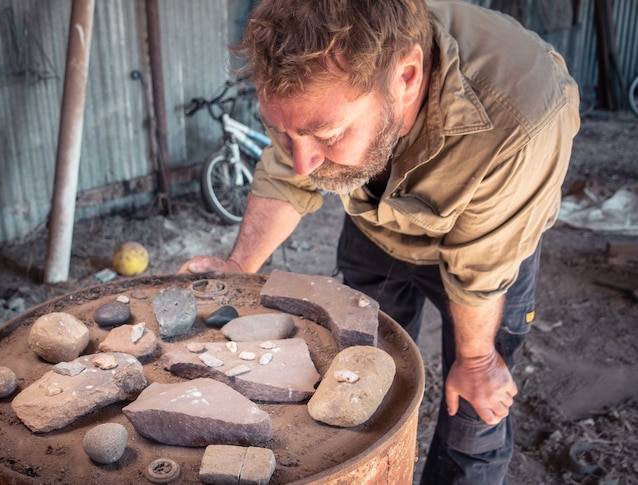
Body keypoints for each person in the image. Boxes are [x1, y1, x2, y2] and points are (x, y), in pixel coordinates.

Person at [179, 0, 580, 483]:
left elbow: (481, 270)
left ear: (407, 77)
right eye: (287, 135)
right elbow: (290, 175)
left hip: (486, 252)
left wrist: (476, 360)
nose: (304, 162)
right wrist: (240, 264)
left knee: (476, 405)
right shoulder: (312, 83)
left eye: (326, 135)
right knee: (358, 379)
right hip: (377, 229)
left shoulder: (522, 118)